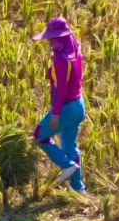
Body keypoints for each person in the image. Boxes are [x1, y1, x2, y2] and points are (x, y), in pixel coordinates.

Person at [34, 17, 86, 194]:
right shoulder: (75, 47)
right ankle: (78, 189)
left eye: (52, 39)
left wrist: (55, 115)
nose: (49, 42)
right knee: (70, 146)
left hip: (66, 107)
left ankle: (66, 164)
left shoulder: (61, 60)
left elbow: (61, 89)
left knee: (39, 135)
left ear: (61, 38)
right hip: (79, 105)